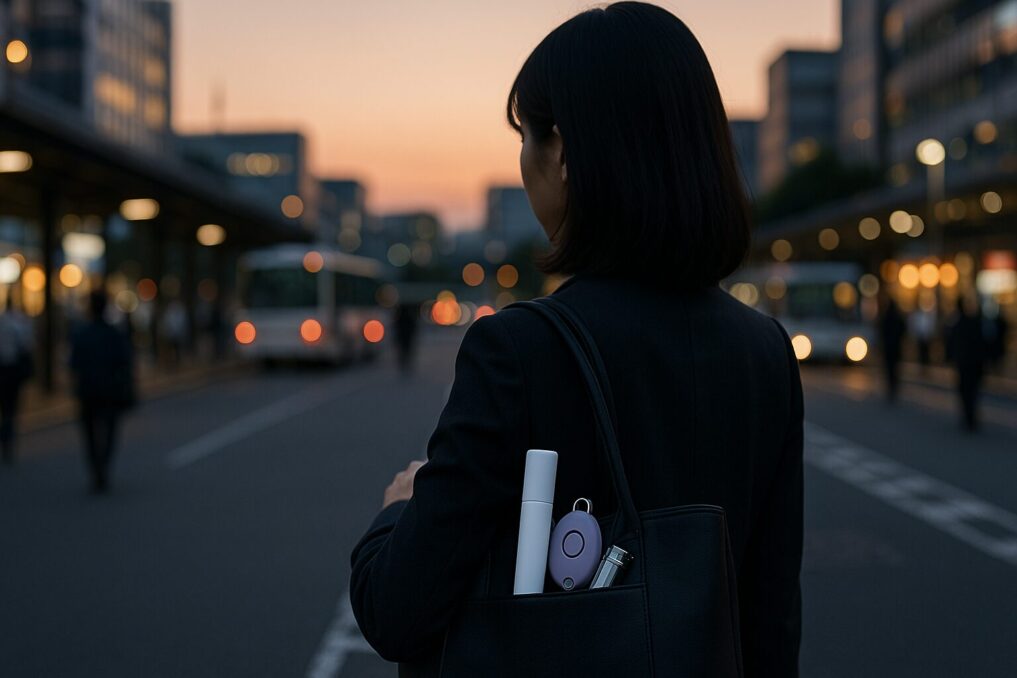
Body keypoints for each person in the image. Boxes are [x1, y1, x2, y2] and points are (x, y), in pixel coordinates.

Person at [350, 4, 802, 676]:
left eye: (526, 136)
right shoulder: (764, 351)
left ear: (560, 152)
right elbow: (768, 627)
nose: (525, 157)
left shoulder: (520, 351)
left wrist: (398, 511)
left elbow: (396, 611)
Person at [70, 291, 135, 493]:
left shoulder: (81, 333)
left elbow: (74, 364)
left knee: (89, 433)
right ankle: (103, 466)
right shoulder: (114, 334)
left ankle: (96, 468)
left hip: (88, 391)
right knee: (110, 431)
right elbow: (125, 362)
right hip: (110, 391)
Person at [948, 292, 986, 432]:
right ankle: (970, 417)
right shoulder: (972, 322)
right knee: (972, 391)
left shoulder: (958, 324)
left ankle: (969, 416)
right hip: (972, 364)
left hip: (965, 364)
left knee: (966, 391)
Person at [0, 306, 33, 464]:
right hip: (11, 373)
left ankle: (6, 437)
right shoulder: (16, 326)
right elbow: (26, 347)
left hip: (7, 371)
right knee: (10, 409)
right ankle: (8, 439)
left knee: (8, 409)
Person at [879, 297, 907, 401]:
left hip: (889, 349)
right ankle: (893, 387)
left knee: (890, 370)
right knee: (894, 369)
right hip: (895, 349)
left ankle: (891, 388)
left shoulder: (886, 317)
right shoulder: (897, 318)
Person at [392, 302, 420, 373]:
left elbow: (396, 327)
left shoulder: (399, 317)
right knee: (407, 351)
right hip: (407, 337)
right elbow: (413, 327)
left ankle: (403, 365)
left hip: (403, 337)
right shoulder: (409, 317)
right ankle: (406, 364)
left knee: (402, 351)